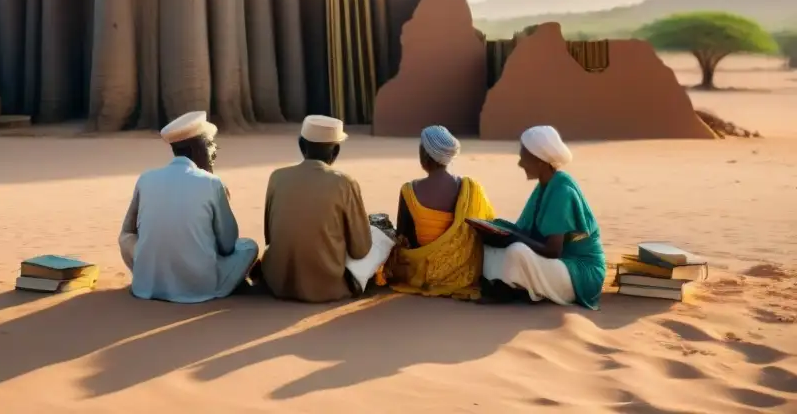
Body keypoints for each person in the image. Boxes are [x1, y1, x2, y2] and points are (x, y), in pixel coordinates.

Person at [119, 111, 258, 303]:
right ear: (196, 149)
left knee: (127, 238)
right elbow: (227, 246)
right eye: (210, 144)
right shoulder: (212, 183)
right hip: (200, 287)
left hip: (148, 286)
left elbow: (128, 231)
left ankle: (150, 277)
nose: (215, 150)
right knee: (249, 246)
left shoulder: (146, 178)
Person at [481, 125, 606, 310]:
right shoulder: (544, 187)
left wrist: (515, 238)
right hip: (558, 265)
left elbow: (553, 251)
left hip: (579, 273)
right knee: (491, 246)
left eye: (524, 156)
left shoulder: (562, 190)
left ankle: (512, 288)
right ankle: (506, 285)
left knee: (517, 251)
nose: (520, 163)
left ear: (539, 161)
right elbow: (526, 231)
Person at [258, 115, 373, 302]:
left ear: (301, 146)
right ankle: (353, 284)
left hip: (279, 283)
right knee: (380, 238)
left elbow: (269, 236)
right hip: (328, 287)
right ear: (335, 151)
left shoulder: (277, 177)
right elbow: (360, 249)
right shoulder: (344, 182)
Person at [386, 125, 496, 299]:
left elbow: (403, 236)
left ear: (424, 155)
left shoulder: (409, 190)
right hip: (461, 270)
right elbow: (486, 224)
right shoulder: (470, 188)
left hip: (422, 273)